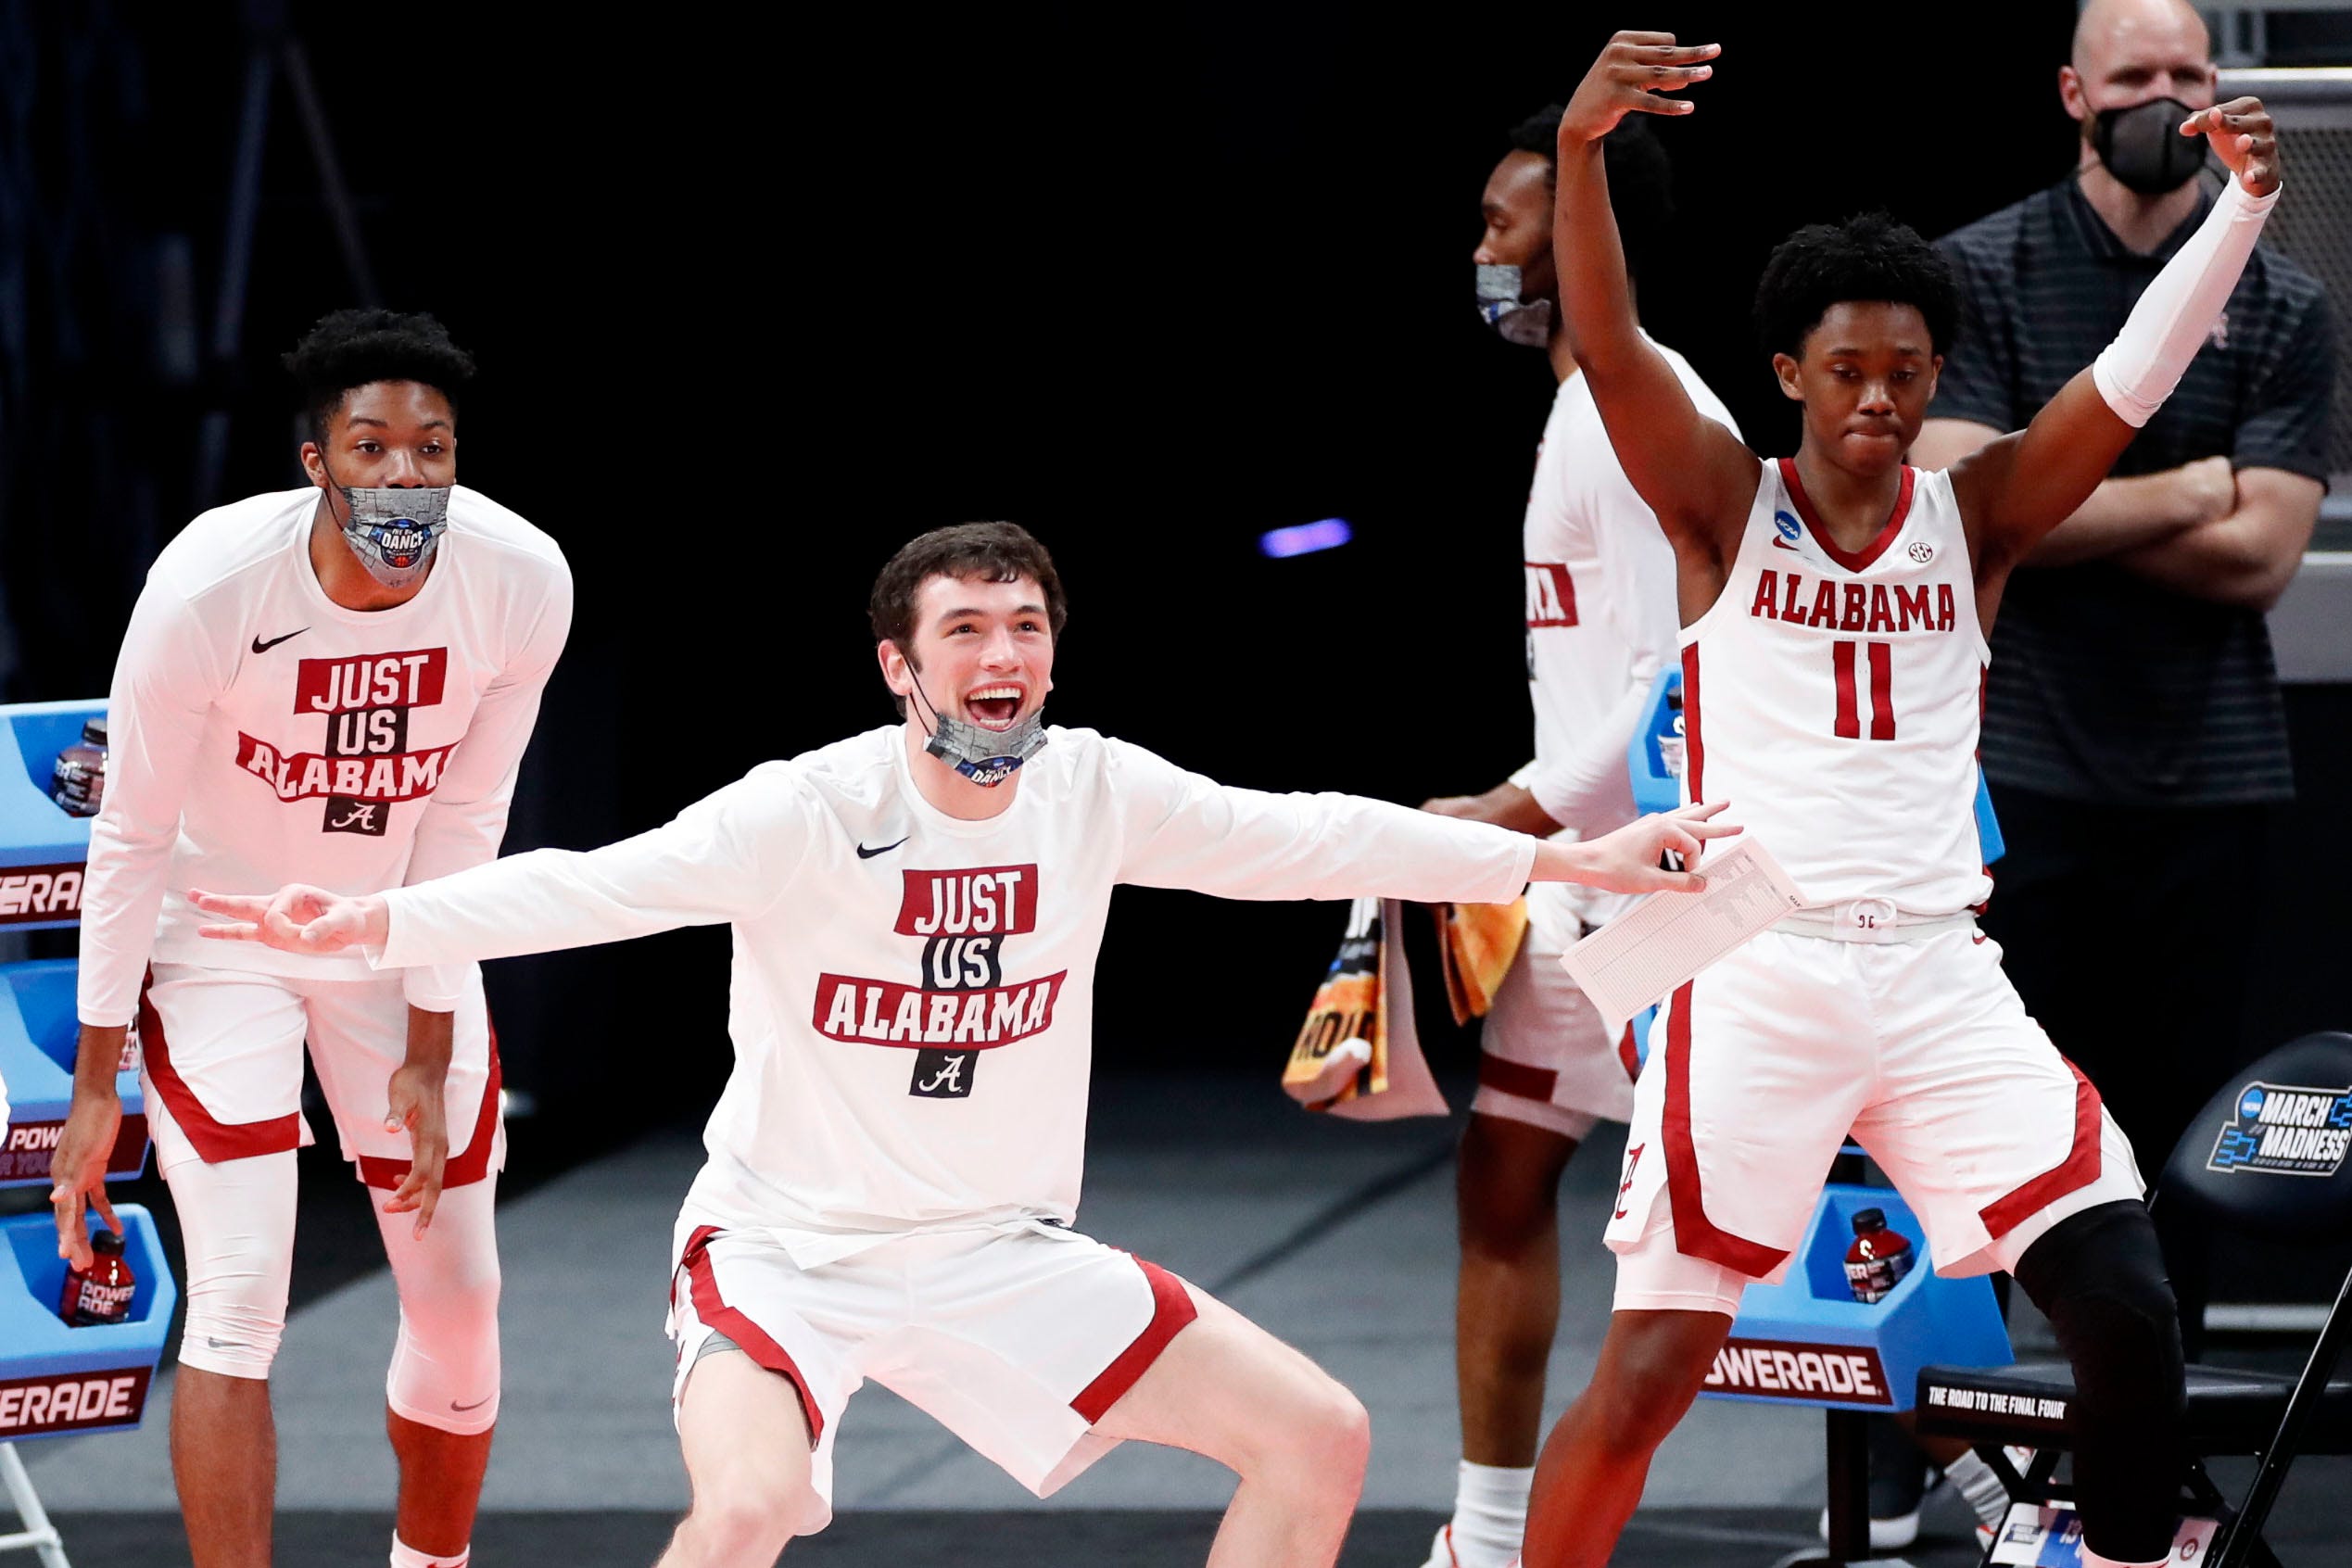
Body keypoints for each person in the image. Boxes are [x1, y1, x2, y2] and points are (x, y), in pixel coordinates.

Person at [189, 522, 1734, 1568]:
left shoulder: (1093, 789)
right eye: (966, 630)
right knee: (746, 1512)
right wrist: (378, 925)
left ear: (1050, 657)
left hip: (996, 1248)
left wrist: (1566, 860)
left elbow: (1305, 832)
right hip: (782, 1252)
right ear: (899, 667)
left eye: (1025, 627)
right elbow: (590, 886)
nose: (1002, 653)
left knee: (1320, 1440)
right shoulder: (806, 809)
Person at [1510, 30, 2287, 1568]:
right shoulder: (1724, 503)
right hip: (1756, 975)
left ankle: (2127, 1558)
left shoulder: (1978, 512)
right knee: (1651, 1377)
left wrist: (2242, 211)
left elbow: (2133, 376)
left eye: (1905, 374)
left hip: (1939, 976)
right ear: (1789, 376)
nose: (1876, 399)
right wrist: (1587, 151)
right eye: (1846, 371)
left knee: (2124, 1311)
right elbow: (1606, 348)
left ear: (1939, 381)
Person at [46, 310, 574, 1568]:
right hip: (218, 930)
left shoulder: (521, 578)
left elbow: (463, 823)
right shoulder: (209, 584)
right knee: (235, 1304)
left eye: (432, 448)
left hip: (391, 930)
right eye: (374, 445)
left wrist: (432, 1037)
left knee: (460, 1295)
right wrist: (91, 1078)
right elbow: (126, 834)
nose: (406, 474)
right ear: (315, 462)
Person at [1910, 0, 2332, 1285]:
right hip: (2020, 770)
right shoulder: (1975, 272)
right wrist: (2191, 484)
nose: (2162, 96)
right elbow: (1957, 505)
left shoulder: (2279, 298)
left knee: (2191, 1143)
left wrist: (2043, 507)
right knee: (1985, 1124)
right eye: (2132, 73)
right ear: (2070, 93)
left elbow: (2262, 558)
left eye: (2186, 73)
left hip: (2212, 779)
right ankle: (1980, 1438)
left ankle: (2163, 1456)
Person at [1416, 107, 1740, 1568]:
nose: (1483, 248)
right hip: (1585, 878)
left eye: (1506, 221)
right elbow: (1602, 675)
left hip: (1675, 888)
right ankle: (1489, 1534)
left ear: (1587, 236)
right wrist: (1524, 804)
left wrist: (1514, 814)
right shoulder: (1572, 409)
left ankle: (1978, 1478)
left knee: (1811, 1212)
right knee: (1503, 1166)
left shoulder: (1639, 406)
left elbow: (1688, 669)